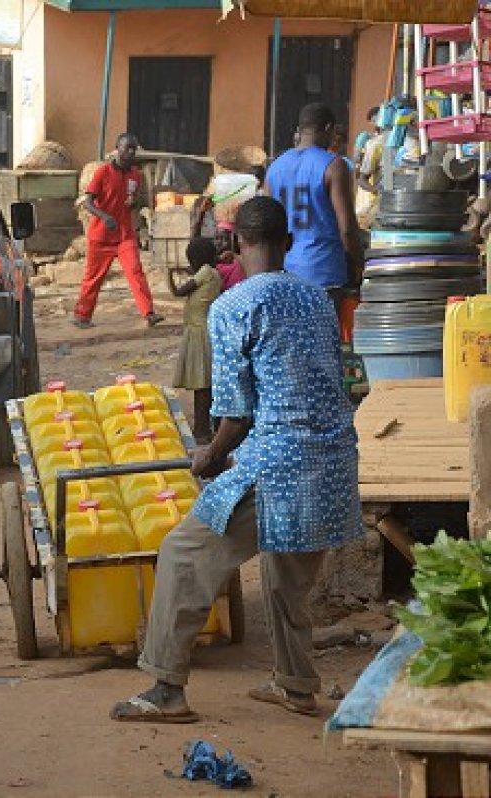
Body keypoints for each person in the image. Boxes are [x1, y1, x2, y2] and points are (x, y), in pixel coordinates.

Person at [110, 196, 361, 724]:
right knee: (287, 574)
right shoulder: (319, 299)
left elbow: (236, 414)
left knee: (182, 554)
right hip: (333, 459)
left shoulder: (232, 306)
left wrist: (210, 455)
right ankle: (295, 685)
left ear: (235, 243)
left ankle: (166, 690)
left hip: (279, 462)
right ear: (288, 243)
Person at [263, 103, 364, 313]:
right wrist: (359, 264)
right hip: (324, 271)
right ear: (328, 129)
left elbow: (268, 225)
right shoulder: (334, 165)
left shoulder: (275, 167)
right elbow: (347, 229)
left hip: (286, 271)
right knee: (325, 333)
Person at [74, 133, 163, 329]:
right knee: (93, 277)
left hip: (124, 234)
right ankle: (82, 315)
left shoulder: (135, 175)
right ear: (117, 149)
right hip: (101, 236)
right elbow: (88, 202)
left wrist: (133, 203)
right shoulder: (103, 172)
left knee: (135, 271)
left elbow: (134, 200)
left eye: (133, 149)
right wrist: (104, 217)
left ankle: (149, 312)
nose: (130, 152)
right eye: (127, 148)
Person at [168, 237, 223, 443]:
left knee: (202, 386)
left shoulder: (206, 272)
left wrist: (170, 274)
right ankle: (211, 427)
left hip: (199, 334)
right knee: (207, 384)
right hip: (203, 331)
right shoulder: (212, 273)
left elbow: (178, 292)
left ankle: (202, 431)